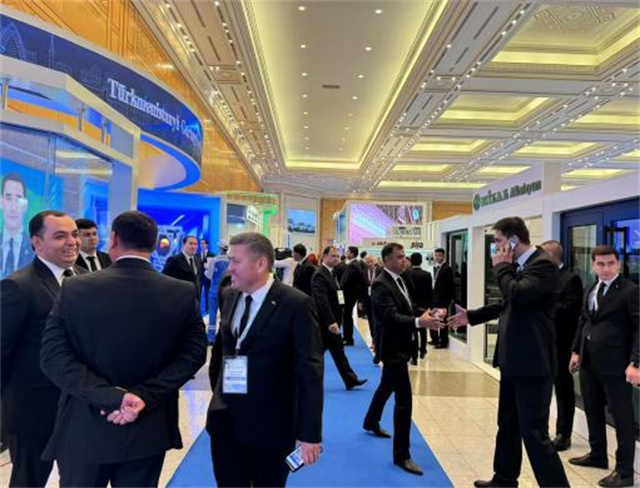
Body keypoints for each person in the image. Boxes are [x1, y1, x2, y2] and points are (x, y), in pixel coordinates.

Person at [40, 210, 207, 487]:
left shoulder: (74, 288)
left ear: (114, 239)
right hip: (148, 427)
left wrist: (111, 397)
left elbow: (53, 356)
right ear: (154, 243)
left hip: (85, 425)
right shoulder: (181, 292)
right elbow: (193, 355)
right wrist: (142, 396)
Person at [448, 217, 569, 488]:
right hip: (514, 361)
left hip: (533, 363)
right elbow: (507, 304)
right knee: (508, 424)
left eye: (499, 241)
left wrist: (501, 267)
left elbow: (517, 294)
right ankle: (504, 479)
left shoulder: (542, 265)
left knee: (534, 433)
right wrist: (473, 316)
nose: (496, 248)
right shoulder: (520, 266)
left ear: (513, 241)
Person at [207, 232, 324, 487]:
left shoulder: (296, 304)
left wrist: (309, 433)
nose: (229, 268)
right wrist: (218, 399)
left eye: (235, 261)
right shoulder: (229, 295)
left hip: (272, 428)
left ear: (260, 263)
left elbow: (310, 372)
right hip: (226, 425)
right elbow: (221, 354)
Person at [1, 210, 86, 487]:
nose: (72, 242)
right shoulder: (18, 286)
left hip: (79, 407)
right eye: (60, 236)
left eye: (74, 234)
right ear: (37, 243)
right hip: (33, 412)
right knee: (29, 481)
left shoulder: (86, 279)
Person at [363, 242, 445, 476]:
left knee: (385, 387)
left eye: (404, 256)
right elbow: (391, 317)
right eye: (399, 257)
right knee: (404, 402)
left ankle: (370, 421)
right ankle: (401, 455)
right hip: (393, 350)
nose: (404, 260)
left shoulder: (401, 279)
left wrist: (428, 313)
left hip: (402, 346)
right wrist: (420, 322)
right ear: (387, 260)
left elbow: (408, 307)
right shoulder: (380, 284)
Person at [568, 245, 639, 488]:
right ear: (593, 265)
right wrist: (576, 350)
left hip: (617, 365)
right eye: (600, 264)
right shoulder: (591, 287)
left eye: (610, 263)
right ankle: (598, 454)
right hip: (589, 362)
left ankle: (625, 472)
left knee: (622, 418)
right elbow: (584, 321)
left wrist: (635, 363)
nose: (606, 268)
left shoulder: (630, 291)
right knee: (593, 410)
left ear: (618, 264)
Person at [540, 240, 583, 452]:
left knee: (563, 390)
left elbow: (570, 311)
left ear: (552, 256)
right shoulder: (542, 277)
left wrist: (545, 307)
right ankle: (541, 429)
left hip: (562, 343)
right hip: (543, 342)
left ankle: (563, 433)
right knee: (542, 388)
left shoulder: (570, 279)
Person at [311, 246, 367, 390]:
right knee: (317, 355)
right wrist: (331, 321)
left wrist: (341, 308)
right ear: (324, 257)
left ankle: (350, 380)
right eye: (332, 256)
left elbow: (337, 293)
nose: (336, 258)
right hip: (325, 323)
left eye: (337, 256)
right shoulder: (320, 274)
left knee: (337, 352)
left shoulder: (332, 273)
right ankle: (304, 380)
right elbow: (321, 300)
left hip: (333, 320)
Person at [0, 172, 34, 278]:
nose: (13, 208)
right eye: (8, 198)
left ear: (25, 206)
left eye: (18, 199)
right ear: (1, 202)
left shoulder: (36, 248)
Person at [406, 253, 433, 363]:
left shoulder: (407, 274)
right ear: (421, 261)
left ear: (411, 261)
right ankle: (423, 350)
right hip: (424, 306)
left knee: (413, 329)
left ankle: (414, 356)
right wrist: (429, 306)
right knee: (423, 329)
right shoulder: (427, 274)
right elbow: (430, 292)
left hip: (412, 306)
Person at [340, 246, 366, 346]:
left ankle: (348, 338)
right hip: (349, 294)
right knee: (346, 315)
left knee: (347, 316)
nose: (346, 253)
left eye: (348, 251)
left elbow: (347, 281)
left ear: (352, 253)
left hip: (349, 295)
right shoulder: (352, 264)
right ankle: (346, 337)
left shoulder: (353, 265)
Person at [206, 240, 230, 343]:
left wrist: (205, 270)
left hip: (214, 290)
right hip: (226, 290)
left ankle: (211, 338)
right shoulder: (231, 260)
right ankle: (223, 337)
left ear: (220, 248)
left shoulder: (215, 260)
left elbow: (209, 275)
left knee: (212, 313)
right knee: (225, 314)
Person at [431, 248, 454, 349]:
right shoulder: (437, 268)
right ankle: (436, 339)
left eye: (439, 255)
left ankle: (443, 342)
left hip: (442, 300)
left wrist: (447, 301)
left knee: (443, 321)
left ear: (444, 256)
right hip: (436, 299)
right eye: (436, 255)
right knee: (436, 319)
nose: (437, 258)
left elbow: (448, 286)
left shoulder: (447, 268)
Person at [362, 254, 381, 362]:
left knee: (377, 321)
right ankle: (373, 340)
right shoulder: (364, 272)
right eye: (367, 262)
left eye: (371, 261)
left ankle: (378, 342)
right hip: (368, 300)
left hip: (378, 300)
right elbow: (361, 287)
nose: (369, 264)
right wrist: (361, 301)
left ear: (375, 262)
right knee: (370, 320)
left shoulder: (380, 271)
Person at [200, 239, 215, 313]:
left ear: (207, 245)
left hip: (207, 277)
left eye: (203, 243)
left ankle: (207, 310)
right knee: (197, 294)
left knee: (207, 293)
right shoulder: (197, 255)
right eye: (201, 244)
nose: (202, 245)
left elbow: (213, 267)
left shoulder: (212, 254)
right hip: (199, 277)